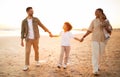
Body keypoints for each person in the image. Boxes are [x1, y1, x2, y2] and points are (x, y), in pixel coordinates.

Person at [80, 8, 112, 76]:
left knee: (100, 54)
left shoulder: (106, 21)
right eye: (95, 12)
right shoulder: (93, 21)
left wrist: (105, 26)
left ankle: (97, 66)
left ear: (101, 12)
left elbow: (110, 30)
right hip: (95, 39)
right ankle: (95, 70)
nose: (95, 13)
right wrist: (84, 36)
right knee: (95, 54)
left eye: (97, 11)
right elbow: (89, 30)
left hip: (103, 40)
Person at [21, 7, 52, 71]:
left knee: (36, 50)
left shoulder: (36, 19)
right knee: (27, 52)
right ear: (27, 12)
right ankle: (26, 65)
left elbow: (42, 25)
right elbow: (22, 31)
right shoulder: (24, 21)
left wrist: (48, 31)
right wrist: (21, 40)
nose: (32, 12)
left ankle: (37, 61)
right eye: (31, 11)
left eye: (33, 11)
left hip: (36, 38)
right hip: (28, 39)